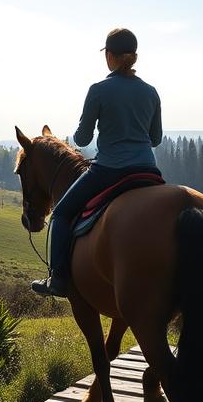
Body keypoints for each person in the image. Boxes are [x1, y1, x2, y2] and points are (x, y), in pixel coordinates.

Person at [32, 28, 163, 297]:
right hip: (148, 170)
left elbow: (81, 138)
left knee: (61, 213)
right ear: (134, 57)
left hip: (110, 170)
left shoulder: (99, 90)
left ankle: (58, 279)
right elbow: (156, 138)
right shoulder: (151, 92)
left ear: (110, 56)